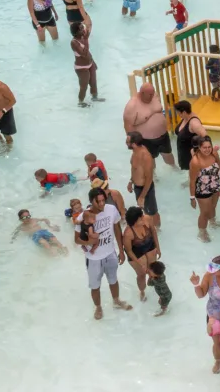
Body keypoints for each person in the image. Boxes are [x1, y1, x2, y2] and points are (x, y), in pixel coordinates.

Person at [76, 188, 133, 319]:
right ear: (91, 201)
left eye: (103, 200)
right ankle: (98, 307)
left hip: (110, 253)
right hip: (93, 259)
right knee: (95, 286)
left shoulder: (111, 209)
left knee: (113, 280)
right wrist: (89, 242)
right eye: (98, 201)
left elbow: (117, 229)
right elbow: (76, 239)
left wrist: (121, 250)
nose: (102, 204)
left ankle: (116, 301)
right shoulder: (83, 217)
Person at [124, 82, 177, 168]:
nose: (152, 96)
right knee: (150, 161)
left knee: (168, 155)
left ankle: (175, 170)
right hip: (146, 140)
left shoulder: (154, 96)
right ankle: (154, 177)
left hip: (163, 135)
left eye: (153, 94)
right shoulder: (132, 106)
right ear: (142, 93)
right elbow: (128, 126)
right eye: (149, 95)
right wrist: (134, 146)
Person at [188, 133, 220, 243]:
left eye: (209, 147)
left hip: (215, 185)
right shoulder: (196, 162)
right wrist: (192, 198)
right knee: (204, 212)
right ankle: (202, 232)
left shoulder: (214, 154)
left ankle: (213, 223)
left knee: (213, 206)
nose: (207, 150)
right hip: (202, 190)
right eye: (204, 147)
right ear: (199, 148)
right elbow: (192, 181)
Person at [121, 205, 161, 300]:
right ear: (134, 222)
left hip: (149, 244)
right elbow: (129, 251)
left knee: (152, 268)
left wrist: (158, 248)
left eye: (142, 216)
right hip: (136, 252)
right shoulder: (128, 233)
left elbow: (153, 232)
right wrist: (139, 263)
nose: (143, 218)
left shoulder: (146, 219)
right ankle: (142, 291)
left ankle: (152, 282)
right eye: (140, 218)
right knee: (142, 274)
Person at [127, 131, 159, 229]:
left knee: (152, 212)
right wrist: (131, 181)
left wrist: (142, 196)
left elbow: (149, 179)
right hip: (137, 187)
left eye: (127, 141)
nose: (126, 143)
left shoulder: (145, 156)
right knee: (145, 211)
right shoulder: (134, 152)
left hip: (146, 189)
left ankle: (157, 229)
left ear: (134, 144)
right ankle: (150, 227)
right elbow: (134, 169)